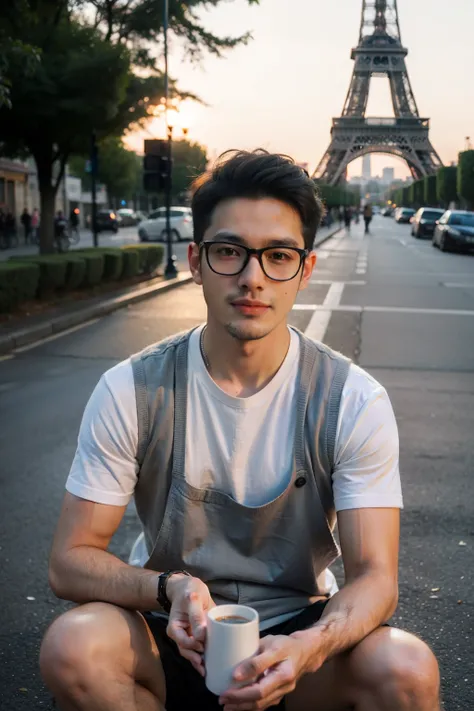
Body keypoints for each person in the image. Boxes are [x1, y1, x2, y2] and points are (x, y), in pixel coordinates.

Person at [40, 150, 441, 711]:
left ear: (305, 270)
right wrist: (167, 587)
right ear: (194, 261)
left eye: (277, 255)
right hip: (169, 631)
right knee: (73, 646)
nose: (252, 278)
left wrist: (310, 646)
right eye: (228, 251)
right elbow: (69, 559)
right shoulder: (131, 389)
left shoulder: (353, 400)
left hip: (300, 637)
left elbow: (376, 577)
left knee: (406, 669)